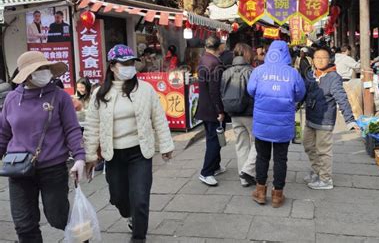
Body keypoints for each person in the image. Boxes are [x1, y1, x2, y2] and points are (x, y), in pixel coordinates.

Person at [84, 44, 174, 242]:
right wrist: (90, 156)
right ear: (112, 66)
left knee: (140, 198)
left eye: (132, 63)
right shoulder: (100, 93)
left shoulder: (145, 90)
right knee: (118, 197)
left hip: (140, 152)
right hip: (113, 154)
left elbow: (158, 117)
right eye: (124, 63)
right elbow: (92, 126)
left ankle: (138, 236)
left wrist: (166, 145)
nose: (129, 67)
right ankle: (129, 216)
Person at [0, 51, 85, 242]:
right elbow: (3, 133)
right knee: (24, 224)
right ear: (27, 74)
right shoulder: (12, 100)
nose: (44, 72)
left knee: (58, 217)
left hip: (52, 168)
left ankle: (82, 235)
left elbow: (72, 129)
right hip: (18, 169)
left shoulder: (60, 97)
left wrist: (79, 158)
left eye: (46, 67)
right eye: (39, 69)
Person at [247, 40, 306, 208]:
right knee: (281, 159)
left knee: (262, 157)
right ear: (286, 53)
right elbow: (300, 93)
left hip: (262, 122)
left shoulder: (258, 71)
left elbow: (250, 90)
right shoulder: (293, 73)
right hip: (283, 123)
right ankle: (277, 195)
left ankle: (260, 192)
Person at [303, 47, 357, 190]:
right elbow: (303, 93)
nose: (320, 60)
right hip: (310, 117)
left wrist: (349, 119)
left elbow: (341, 98)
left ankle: (325, 179)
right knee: (308, 146)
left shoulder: (333, 77)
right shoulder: (310, 74)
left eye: (324, 57)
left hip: (325, 120)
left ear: (330, 60)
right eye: (317, 57)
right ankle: (317, 171)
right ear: (313, 60)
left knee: (323, 150)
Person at [220, 43, 256, 187]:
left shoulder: (226, 72)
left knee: (241, 144)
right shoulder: (251, 71)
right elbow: (254, 93)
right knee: (257, 143)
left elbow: (222, 91)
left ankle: (243, 177)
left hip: (234, 114)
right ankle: (249, 171)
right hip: (250, 113)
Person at [195, 36, 226, 186]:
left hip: (205, 106)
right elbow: (215, 90)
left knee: (212, 138)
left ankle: (215, 166)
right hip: (213, 108)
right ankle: (206, 172)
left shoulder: (203, 59)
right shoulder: (214, 63)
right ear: (219, 47)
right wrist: (220, 110)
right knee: (215, 140)